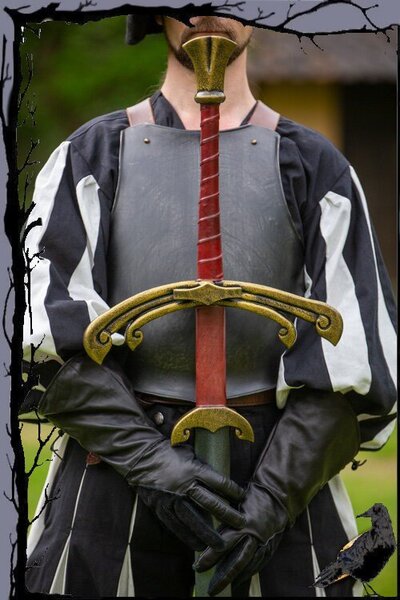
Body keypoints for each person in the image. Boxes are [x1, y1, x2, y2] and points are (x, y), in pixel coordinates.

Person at [22, 13, 396, 598]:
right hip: (110, 490)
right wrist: (151, 462)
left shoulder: (318, 168)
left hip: (283, 496)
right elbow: (45, 338)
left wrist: (271, 500)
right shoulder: (88, 157)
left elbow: (361, 363)